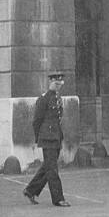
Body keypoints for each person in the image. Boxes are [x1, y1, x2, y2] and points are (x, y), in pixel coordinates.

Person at [24, 72, 69, 207]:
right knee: (52, 170)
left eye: (60, 84)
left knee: (48, 167)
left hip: (55, 137)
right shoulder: (44, 99)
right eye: (56, 83)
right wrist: (39, 137)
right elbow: (37, 120)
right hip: (47, 138)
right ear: (50, 83)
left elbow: (58, 119)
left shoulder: (57, 98)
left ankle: (30, 190)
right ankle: (58, 198)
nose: (58, 86)